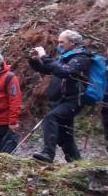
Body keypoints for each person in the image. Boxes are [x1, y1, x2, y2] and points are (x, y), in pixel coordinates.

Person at [28, 30, 91, 163]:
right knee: (65, 136)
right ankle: (76, 163)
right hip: (60, 100)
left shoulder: (81, 58)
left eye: (62, 42)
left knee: (51, 117)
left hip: (73, 100)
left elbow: (65, 71)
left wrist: (44, 57)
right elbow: (48, 69)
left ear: (73, 43)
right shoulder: (65, 56)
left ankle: (48, 153)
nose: (59, 45)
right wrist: (34, 61)